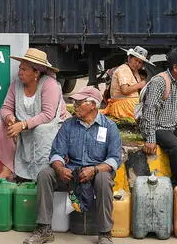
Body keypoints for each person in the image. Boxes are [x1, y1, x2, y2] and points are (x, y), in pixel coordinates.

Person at [24, 86, 122, 244]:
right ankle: (44, 229)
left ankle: (105, 233)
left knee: (104, 178)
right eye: (74, 102)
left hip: (96, 172)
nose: (74, 105)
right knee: (45, 174)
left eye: (79, 102)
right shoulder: (69, 125)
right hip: (71, 172)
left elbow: (114, 159)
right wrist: (60, 168)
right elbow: (56, 153)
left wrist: (95, 169)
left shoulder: (109, 127)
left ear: (92, 105)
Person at [0, 48, 71, 181]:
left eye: (24, 69)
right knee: (2, 125)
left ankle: (41, 173)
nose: (20, 72)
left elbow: (48, 115)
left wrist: (22, 125)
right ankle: (7, 170)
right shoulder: (16, 85)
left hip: (52, 125)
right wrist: (9, 118)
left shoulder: (50, 85)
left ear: (36, 73)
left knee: (40, 130)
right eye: (20, 68)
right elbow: (6, 107)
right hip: (24, 124)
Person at [139, 47, 177, 186]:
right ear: (176, 67)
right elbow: (150, 111)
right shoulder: (159, 82)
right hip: (158, 126)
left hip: (176, 125)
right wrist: (150, 138)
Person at [101, 46, 152, 120]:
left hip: (129, 102)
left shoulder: (133, 70)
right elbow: (125, 90)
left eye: (140, 62)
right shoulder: (123, 69)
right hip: (122, 104)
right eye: (135, 60)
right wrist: (140, 84)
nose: (137, 64)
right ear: (129, 58)